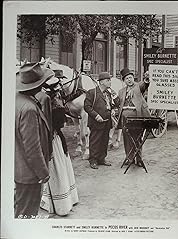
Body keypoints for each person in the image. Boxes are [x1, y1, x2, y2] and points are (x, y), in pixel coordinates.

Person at [15, 62, 53, 218]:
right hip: (30, 174)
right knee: (27, 214)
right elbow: (32, 148)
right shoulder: (29, 108)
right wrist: (43, 173)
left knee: (20, 210)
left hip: (19, 169)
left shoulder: (18, 100)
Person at [38, 75, 79, 216]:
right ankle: (63, 201)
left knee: (54, 167)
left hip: (51, 137)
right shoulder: (56, 102)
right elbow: (61, 123)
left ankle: (56, 202)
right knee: (59, 166)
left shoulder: (44, 100)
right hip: (54, 137)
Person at [84, 72, 120, 169]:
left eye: (110, 80)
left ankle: (102, 158)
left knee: (104, 140)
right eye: (108, 80)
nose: (110, 82)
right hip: (96, 121)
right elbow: (87, 107)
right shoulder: (92, 92)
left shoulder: (109, 93)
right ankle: (93, 160)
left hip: (107, 121)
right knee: (95, 140)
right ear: (102, 82)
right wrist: (96, 116)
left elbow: (116, 104)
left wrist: (113, 110)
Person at [116, 68, 151, 166]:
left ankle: (139, 159)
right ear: (124, 81)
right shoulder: (121, 91)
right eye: (127, 78)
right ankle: (129, 158)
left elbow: (144, 85)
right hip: (125, 118)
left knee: (137, 137)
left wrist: (146, 79)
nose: (129, 80)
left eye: (130, 77)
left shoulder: (138, 87)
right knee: (127, 138)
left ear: (133, 78)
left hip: (136, 117)